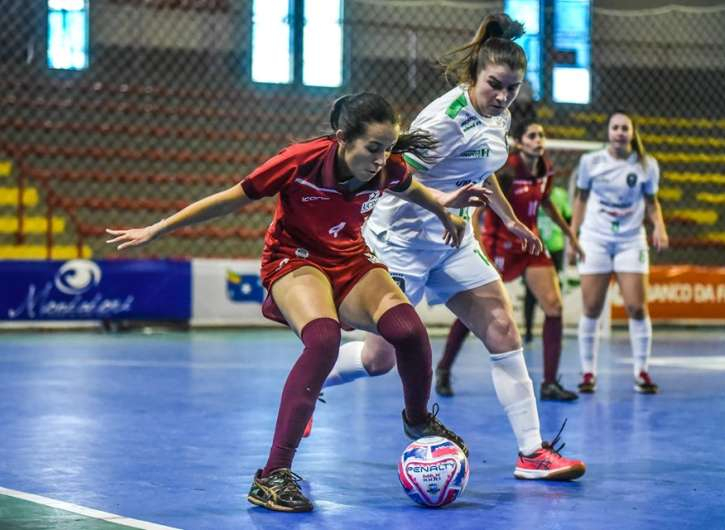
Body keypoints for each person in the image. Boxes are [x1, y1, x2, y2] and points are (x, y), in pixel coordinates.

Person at [106, 92, 485, 512]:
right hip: (293, 259)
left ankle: (416, 419)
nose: (382, 159)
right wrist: (158, 228)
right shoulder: (300, 161)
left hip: (349, 258)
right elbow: (231, 197)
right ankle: (272, 476)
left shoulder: (386, 169)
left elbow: (412, 188)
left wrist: (444, 211)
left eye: (389, 149)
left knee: (408, 331)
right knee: (323, 340)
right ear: (343, 139)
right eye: (373, 148)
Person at [320, 14, 586, 481]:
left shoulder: (499, 114)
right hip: (401, 244)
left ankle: (532, 454)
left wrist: (511, 220)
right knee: (378, 360)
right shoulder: (442, 121)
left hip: (453, 240)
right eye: (494, 85)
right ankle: (315, 376)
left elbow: (481, 172)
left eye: (513, 88)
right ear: (473, 78)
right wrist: (445, 201)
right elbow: (391, 177)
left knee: (503, 328)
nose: (503, 97)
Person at [435, 120, 584, 402]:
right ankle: (443, 368)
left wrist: (571, 236)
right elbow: (482, 199)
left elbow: (545, 202)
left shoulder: (545, 169)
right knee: (476, 310)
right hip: (500, 244)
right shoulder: (507, 169)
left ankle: (550, 383)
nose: (538, 139)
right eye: (532, 135)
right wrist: (475, 233)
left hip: (530, 242)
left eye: (541, 135)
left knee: (553, 305)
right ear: (520, 141)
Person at [570, 111, 669, 394]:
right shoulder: (591, 162)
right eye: (615, 127)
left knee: (637, 307)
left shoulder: (647, 165)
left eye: (625, 128)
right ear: (608, 131)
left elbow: (652, 202)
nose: (619, 132)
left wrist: (658, 227)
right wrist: (573, 235)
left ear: (632, 132)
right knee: (591, 308)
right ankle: (588, 372)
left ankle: (642, 371)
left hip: (631, 240)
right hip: (595, 238)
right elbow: (581, 199)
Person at [524, 183, 572, 343]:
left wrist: (573, 240)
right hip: (534, 247)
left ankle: (551, 332)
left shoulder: (560, 194)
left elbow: (568, 218)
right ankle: (529, 332)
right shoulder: (531, 193)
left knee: (553, 292)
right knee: (530, 292)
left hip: (555, 247)